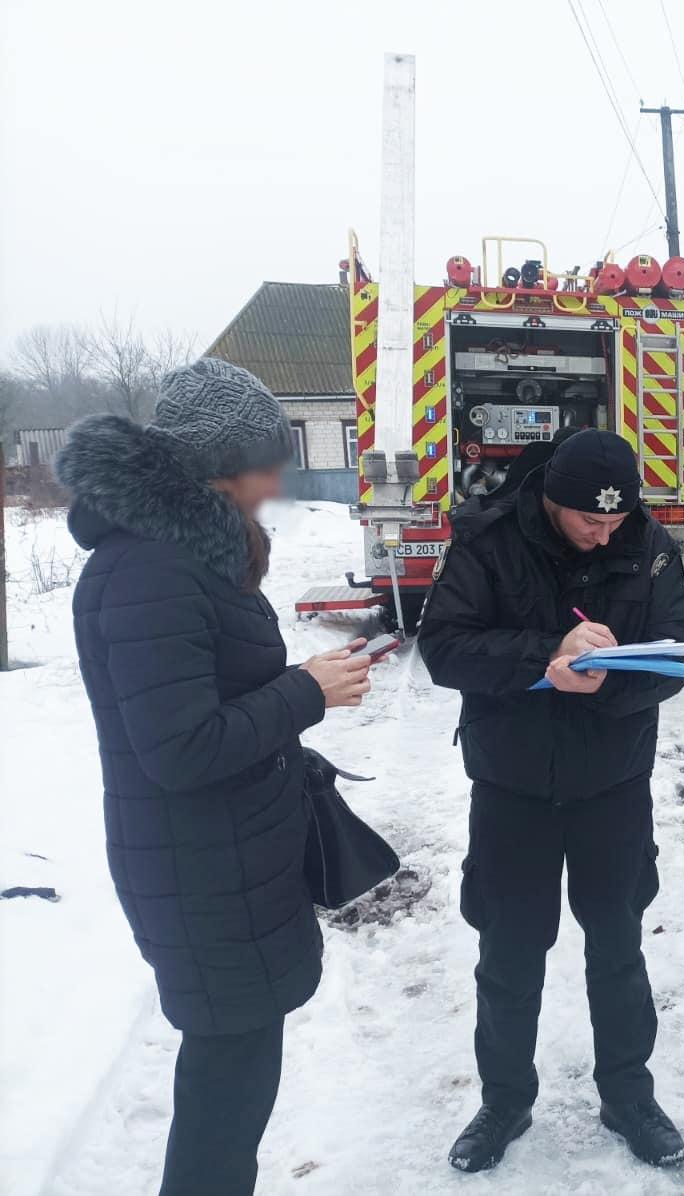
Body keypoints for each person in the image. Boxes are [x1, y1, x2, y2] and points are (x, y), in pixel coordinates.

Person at [55, 358, 374, 1196]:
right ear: (220, 465)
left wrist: (296, 693)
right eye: (268, 460)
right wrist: (305, 691)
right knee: (222, 1110)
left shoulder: (185, 554)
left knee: (234, 1092)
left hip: (223, 862)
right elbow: (179, 749)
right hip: (200, 872)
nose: (280, 477)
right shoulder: (151, 572)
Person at [418, 429, 684, 1173]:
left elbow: (680, 653)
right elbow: (443, 647)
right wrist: (543, 658)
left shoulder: (649, 546)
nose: (603, 533)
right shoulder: (486, 541)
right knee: (509, 952)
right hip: (513, 786)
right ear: (551, 499)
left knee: (618, 944)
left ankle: (628, 1095)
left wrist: (610, 682)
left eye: (614, 521)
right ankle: (504, 1101)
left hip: (612, 784)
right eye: (588, 521)